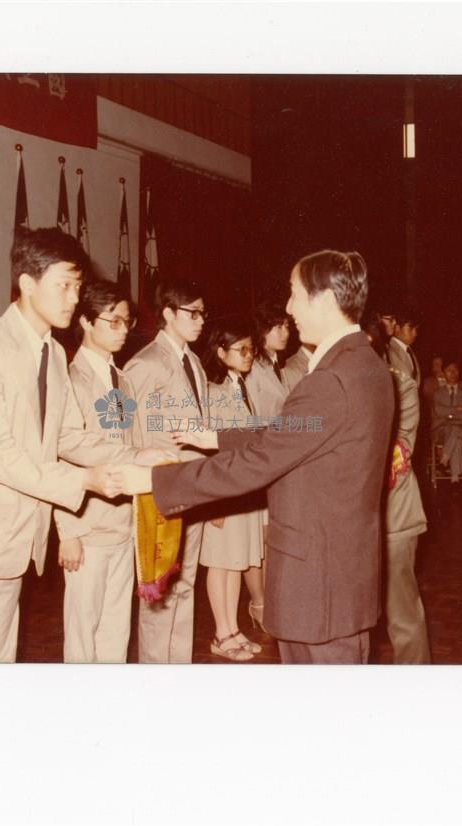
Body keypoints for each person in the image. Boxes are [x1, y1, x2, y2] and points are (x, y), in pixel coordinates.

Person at [116, 249, 395, 664]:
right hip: (339, 574)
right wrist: (217, 437)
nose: (289, 309)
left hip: (318, 583)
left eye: (294, 294)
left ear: (323, 300)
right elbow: (299, 432)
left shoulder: (331, 378)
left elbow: (265, 458)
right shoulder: (364, 365)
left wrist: (155, 480)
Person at [0, 227, 169, 663]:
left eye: (77, 286)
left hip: (13, 539)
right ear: (28, 284)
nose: (73, 298)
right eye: (64, 285)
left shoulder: (53, 356)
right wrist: (83, 480)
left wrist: (137, 456)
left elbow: (69, 436)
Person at [123, 276, 210, 663]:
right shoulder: (145, 363)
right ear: (169, 314)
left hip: (194, 486)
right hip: (161, 489)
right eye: (193, 313)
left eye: (203, 313)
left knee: (185, 583)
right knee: (159, 591)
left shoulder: (194, 362)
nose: (201, 320)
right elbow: (130, 430)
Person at [53, 280, 139, 663]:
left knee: (116, 628)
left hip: (122, 523)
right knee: (82, 631)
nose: (123, 330)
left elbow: (128, 445)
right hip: (87, 526)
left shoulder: (123, 380)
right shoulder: (70, 381)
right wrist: (68, 532)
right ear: (87, 322)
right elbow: (59, 458)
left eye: (127, 322)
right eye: (113, 321)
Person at [198, 319, 266, 661]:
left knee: (236, 562)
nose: (249, 354)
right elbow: (213, 449)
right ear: (221, 353)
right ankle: (220, 634)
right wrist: (217, 501)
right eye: (241, 349)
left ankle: (233, 628)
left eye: (251, 349)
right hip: (224, 491)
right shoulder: (213, 392)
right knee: (220, 563)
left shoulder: (240, 386)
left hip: (243, 489)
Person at [243, 301, 293, 631]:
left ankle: (270, 600)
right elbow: (249, 419)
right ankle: (258, 603)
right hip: (260, 457)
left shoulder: (278, 368)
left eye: (287, 326)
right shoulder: (254, 370)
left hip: (278, 460)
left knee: (271, 535)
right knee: (257, 538)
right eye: (277, 327)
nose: (284, 332)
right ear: (262, 332)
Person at [383, 343, 432, 663]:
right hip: (348, 522)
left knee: (402, 614)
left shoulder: (401, 386)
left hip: (393, 518)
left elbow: (396, 455)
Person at [430, 358, 462, 484]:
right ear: (443, 373)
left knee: (456, 431)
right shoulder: (437, 393)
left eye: (455, 370)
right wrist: (456, 410)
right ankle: (455, 477)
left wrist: (449, 414)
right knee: (456, 434)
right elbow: (438, 411)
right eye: (449, 370)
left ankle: (444, 461)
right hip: (442, 430)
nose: (453, 373)